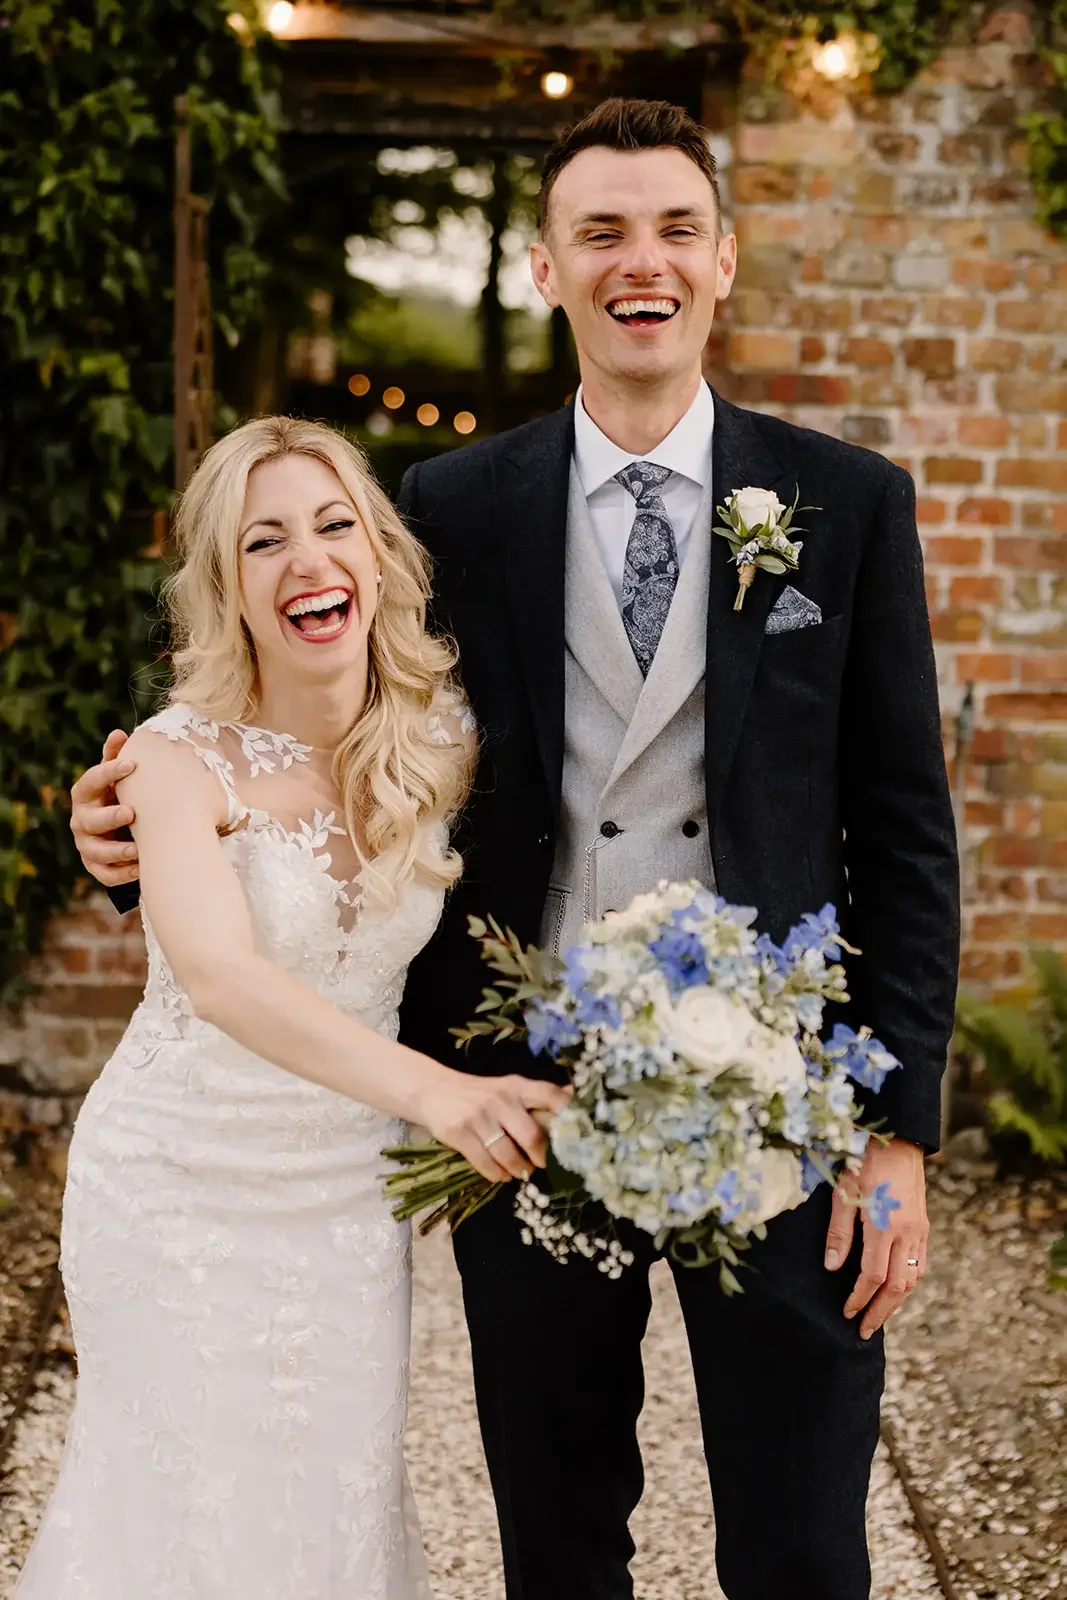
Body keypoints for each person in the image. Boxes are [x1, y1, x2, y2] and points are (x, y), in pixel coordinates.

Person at [71, 99, 960, 1600]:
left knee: (805, 1548)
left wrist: (900, 1132)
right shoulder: (449, 505)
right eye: (599, 232)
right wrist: (142, 825)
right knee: (556, 1541)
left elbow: (905, 831)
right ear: (547, 269)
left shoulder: (844, 506)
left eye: (675, 228)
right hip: (521, 1097)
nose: (642, 262)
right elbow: (336, 742)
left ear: (724, 260)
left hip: (780, 1101)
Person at [19, 416, 566, 1600]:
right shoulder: (173, 759)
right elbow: (217, 976)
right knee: (176, 1519)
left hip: (341, 1206)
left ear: (377, 556)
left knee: (328, 1510)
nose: (307, 562)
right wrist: (441, 1095)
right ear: (227, 585)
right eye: (263, 542)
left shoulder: (448, 743)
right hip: (172, 1189)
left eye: (333, 527)